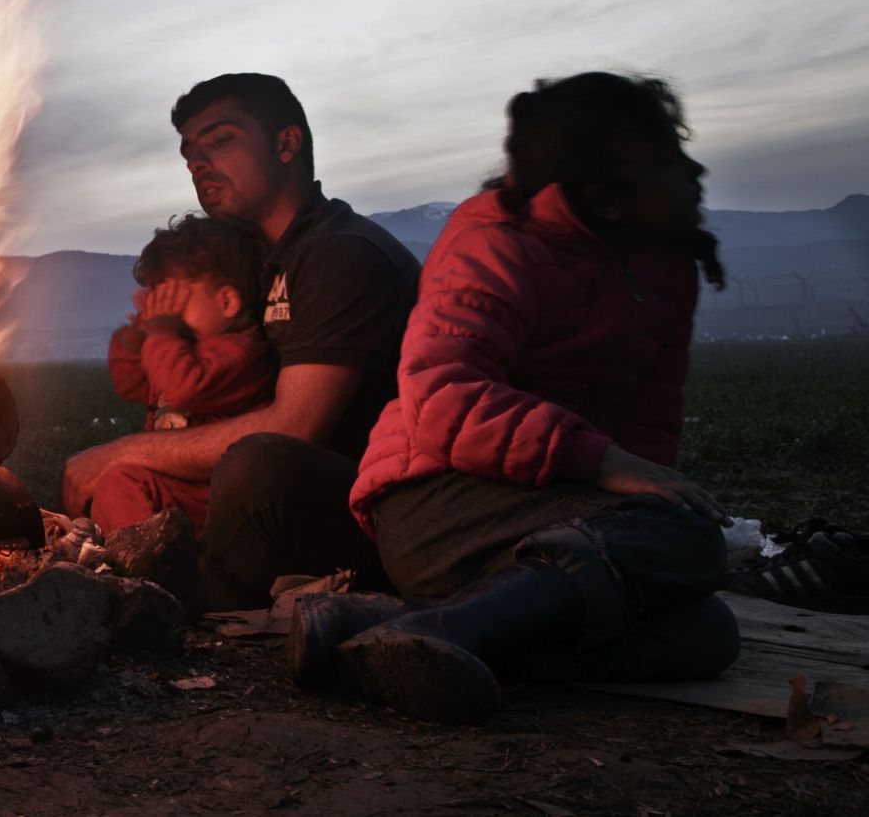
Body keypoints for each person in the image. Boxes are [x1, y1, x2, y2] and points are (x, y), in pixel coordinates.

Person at [297, 72, 739, 723]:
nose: (693, 169)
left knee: (707, 632)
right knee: (690, 541)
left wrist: (635, 500)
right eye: (668, 154)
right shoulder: (497, 238)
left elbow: (647, 432)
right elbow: (444, 400)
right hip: (435, 500)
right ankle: (454, 625)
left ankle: (394, 626)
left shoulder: (663, 268)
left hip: (553, 521)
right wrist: (608, 466)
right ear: (606, 188)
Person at [60, 73, 421, 607]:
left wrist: (121, 450)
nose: (198, 162)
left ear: (285, 144)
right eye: (189, 154)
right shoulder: (262, 262)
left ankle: (191, 596)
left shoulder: (339, 254)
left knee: (260, 460)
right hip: (287, 507)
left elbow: (296, 427)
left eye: (221, 139)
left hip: (379, 519)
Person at [93, 213, 277, 534]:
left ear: (226, 300)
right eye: (160, 300)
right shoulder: (179, 347)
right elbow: (130, 383)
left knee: (118, 482)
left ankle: (147, 568)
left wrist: (162, 330)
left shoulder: (240, 352)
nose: (167, 313)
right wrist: (137, 337)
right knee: (106, 484)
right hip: (174, 487)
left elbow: (186, 388)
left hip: (213, 499)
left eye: (175, 300)